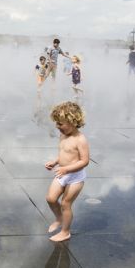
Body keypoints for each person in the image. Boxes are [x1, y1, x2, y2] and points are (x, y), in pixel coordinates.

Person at [44, 101, 89, 242]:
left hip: (75, 176)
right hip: (62, 173)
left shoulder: (80, 140)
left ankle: (65, 231)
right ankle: (59, 218)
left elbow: (84, 161)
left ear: (73, 122)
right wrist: (56, 161)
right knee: (50, 199)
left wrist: (66, 169)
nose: (58, 127)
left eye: (61, 124)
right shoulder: (63, 136)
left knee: (65, 204)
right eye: (56, 123)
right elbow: (64, 153)